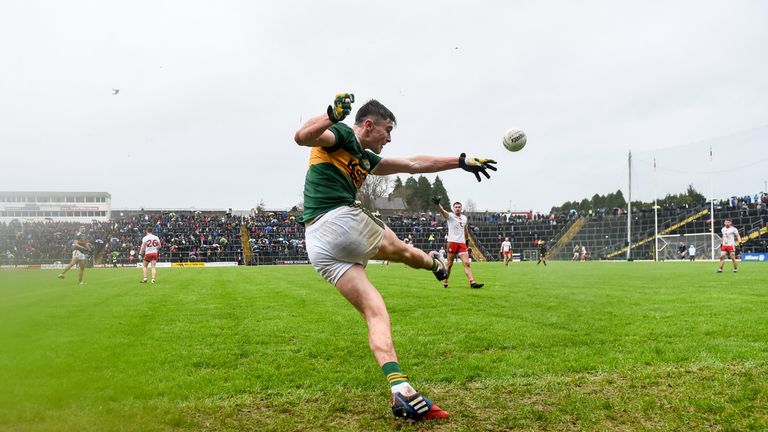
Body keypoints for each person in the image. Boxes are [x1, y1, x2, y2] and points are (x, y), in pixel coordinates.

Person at [294, 93, 496, 421]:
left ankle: (399, 389)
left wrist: (459, 160)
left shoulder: (368, 159)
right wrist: (332, 114)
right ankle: (436, 264)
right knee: (400, 249)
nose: (389, 137)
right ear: (369, 125)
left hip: (318, 245)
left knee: (376, 311)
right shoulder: (343, 135)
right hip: (337, 219)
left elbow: (415, 163)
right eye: (387, 130)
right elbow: (304, 136)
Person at [433, 200, 484, 289]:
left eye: (459, 207)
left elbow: (465, 230)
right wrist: (438, 205)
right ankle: (446, 281)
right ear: (453, 209)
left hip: (462, 244)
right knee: (449, 265)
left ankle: (472, 282)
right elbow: (443, 211)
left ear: (461, 208)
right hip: (452, 243)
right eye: (456, 207)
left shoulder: (464, 218)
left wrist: (467, 240)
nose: (457, 208)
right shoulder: (450, 216)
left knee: (467, 263)